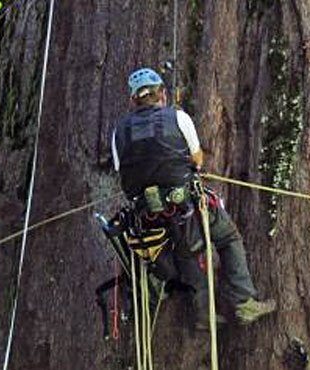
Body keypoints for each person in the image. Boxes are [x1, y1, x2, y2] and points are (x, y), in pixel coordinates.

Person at [110, 67, 276, 329]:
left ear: (133, 100)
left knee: (185, 250)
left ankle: (203, 314)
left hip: (149, 219)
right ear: (162, 94)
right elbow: (197, 158)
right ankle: (243, 301)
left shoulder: (119, 132)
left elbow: (122, 171)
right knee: (227, 236)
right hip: (185, 205)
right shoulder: (178, 118)